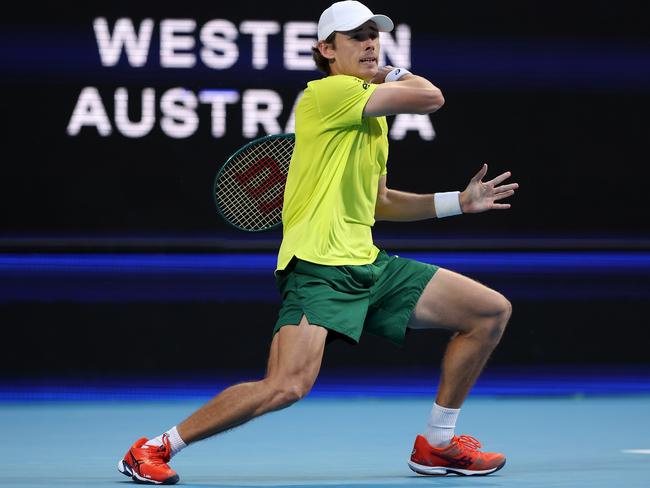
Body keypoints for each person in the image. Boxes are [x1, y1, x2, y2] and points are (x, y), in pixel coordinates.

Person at [117, 1, 518, 483]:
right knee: (285, 386)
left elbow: (380, 204)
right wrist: (390, 72)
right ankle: (154, 447)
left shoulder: (372, 119)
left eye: (374, 34)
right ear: (326, 50)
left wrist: (459, 202)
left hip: (367, 264)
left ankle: (437, 445)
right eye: (356, 36)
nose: (370, 43)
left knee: (488, 311)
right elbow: (431, 97)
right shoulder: (329, 92)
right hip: (318, 267)